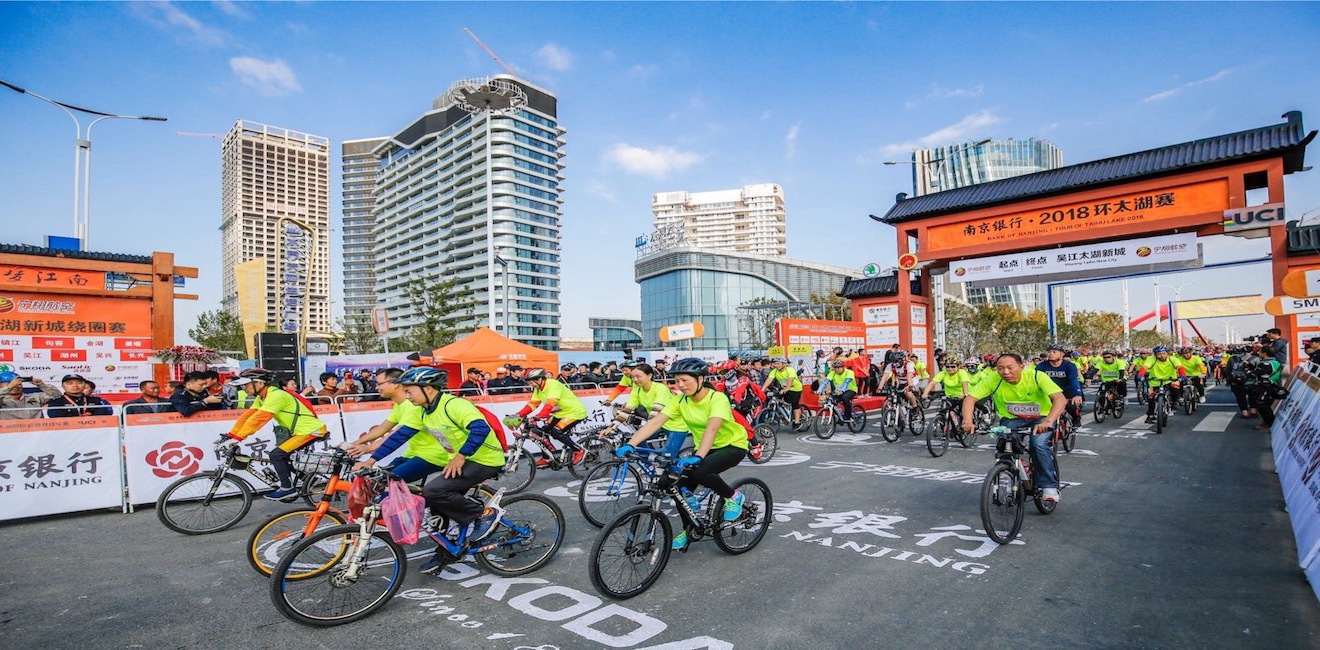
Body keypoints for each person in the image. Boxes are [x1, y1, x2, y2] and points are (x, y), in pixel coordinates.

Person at [353, 366, 505, 574]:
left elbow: (480, 429)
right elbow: (399, 437)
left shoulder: (454, 405)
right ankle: (448, 550)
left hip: (484, 459)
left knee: (433, 491)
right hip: (460, 460)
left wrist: (460, 456)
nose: (407, 396)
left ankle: (483, 515)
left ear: (428, 389)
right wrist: (371, 461)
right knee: (436, 504)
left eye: (410, 391)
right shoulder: (422, 411)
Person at [614, 358, 748, 550]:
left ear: (700, 379)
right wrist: (631, 444)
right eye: (677, 381)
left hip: (731, 445)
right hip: (703, 447)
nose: (681, 385)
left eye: (685, 380)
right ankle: (690, 529)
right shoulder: (680, 400)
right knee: (675, 486)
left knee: (701, 471)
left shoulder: (717, 398)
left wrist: (699, 456)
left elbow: (712, 429)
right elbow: (656, 422)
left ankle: (733, 496)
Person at [961, 353, 1067, 503]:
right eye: (1000, 368)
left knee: (1038, 445)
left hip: (1041, 418)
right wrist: (967, 421)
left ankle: (1048, 485)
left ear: (1022, 366)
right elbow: (970, 399)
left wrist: (1049, 421)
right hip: (1012, 419)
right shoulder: (993, 379)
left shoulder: (1037, 376)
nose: (1005, 372)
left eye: (1010, 368)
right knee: (1005, 445)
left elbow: (1060, 399)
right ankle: (1009, 474)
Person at [224, 368, 331, 501]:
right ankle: (308, 479)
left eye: (246, 385)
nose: (243, 388)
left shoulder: (276, 395)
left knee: (277, 455)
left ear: (260, 383)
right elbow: (247, 416)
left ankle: (287, 488)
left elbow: (258, 420)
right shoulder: (262, 397)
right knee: (284, 456)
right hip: (299, 431)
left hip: (310, 430)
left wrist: (238, 438)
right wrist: (231, 435)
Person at [344, 368, 447, 483]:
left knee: (387, 481)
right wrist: (353, 444)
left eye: (379, 383)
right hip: (413, 454)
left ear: (395, 384)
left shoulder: (413, 406)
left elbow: (398, 435)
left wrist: (369, 452)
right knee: (378, 480)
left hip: (433, 456)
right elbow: (382, 428)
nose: (376, 387)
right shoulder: (400, 405)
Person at [603, 363, 688, 456]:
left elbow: (655, 411)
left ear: (649, 376)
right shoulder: (637, 390)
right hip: (659, 424)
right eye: (632, 377)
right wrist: (611, 428)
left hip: (676, 425)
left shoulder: (660, 388)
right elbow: (627, 410)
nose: (635, 380)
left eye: (638, 376)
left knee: (667, 457)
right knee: (636, 441)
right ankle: (649, 462)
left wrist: (645, 427)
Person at [508, 368, 588, 464]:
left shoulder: (553, 385)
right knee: (541, 433)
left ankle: (578, 450)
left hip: (574, 412)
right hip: (560, 413)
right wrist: (517, 415)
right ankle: (547, 458)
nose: (530, 385)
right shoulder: (538, 388)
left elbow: (550, 404)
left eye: (531, 382)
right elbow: (532, 404)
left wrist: (539, 416)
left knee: (556, 431)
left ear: (539, 379)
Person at [1036, 344, 1083, 427]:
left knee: (1071, 407)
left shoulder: (1070, 366)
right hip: (1049, 392)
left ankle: (1076, 418)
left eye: (1054, 352)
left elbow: (1073, 381)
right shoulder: (1041, 366)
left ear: (1062, 354)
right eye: (1049, 352)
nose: (1051, 354)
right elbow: (1035, 380)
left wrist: (1077, 394)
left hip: (1066, 392)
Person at [1141, 346, 1187, 424]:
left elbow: (1179, 367)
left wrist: (1182, 375)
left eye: (1163, 353)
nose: (1162, 356)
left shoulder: (1173, 359)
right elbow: (1145, 367)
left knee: (1175, 391)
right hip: (1154, 382)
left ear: (1167, 354)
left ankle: (1173, 403)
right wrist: (1140, 375)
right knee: (1151, 398)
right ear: (1155, 355)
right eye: (1159, 354)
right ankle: (1150, 415)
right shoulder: (1151, 359)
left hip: (1170, 380)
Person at [761, 357, 804, 428]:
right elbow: (769, 380)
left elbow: (790, 379)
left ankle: (797, 421)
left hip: (795, 389)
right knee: (776, 398)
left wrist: (787, 389)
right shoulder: (774, 371)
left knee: (795, 404)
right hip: (784, 388)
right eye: (775, 364)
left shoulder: (789, 370)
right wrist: (762, 390)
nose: (776, 365)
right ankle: (785, 412)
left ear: (783, 364)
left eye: (778, 364)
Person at [46, 374, 114, 418]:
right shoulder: (56, 401)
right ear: (63, 386)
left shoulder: (96, 400)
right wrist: (79, 418)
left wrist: (92, 418)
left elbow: (107, 412)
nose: (75, 385)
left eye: (79, 383)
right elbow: (55, 415)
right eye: (70, 383)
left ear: (84, 385)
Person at [1250, 347, 1284, 431]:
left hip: (1266, 386)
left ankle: (1269, 423)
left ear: (1265, 353)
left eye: (1260, 351)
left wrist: (1248, 371)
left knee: (1262, 404)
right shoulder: (1276, 362)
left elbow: (1255, 374)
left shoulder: (1265, 364)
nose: (1259, 353)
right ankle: (1270, 422)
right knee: (1266, 405)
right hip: (1274, 385)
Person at [823, 359, 858, 425]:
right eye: (835, 368)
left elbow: (846, 382)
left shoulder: (849, 372)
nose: (837, 369)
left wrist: (842, 390)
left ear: (843, 367)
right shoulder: (833, 373)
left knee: (845, 398)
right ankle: (840, 416)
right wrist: (822, 390)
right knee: (832, 401)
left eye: (839, 368)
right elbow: (827, 382)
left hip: (851, 390)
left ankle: (848, 416)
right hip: (839, 391)